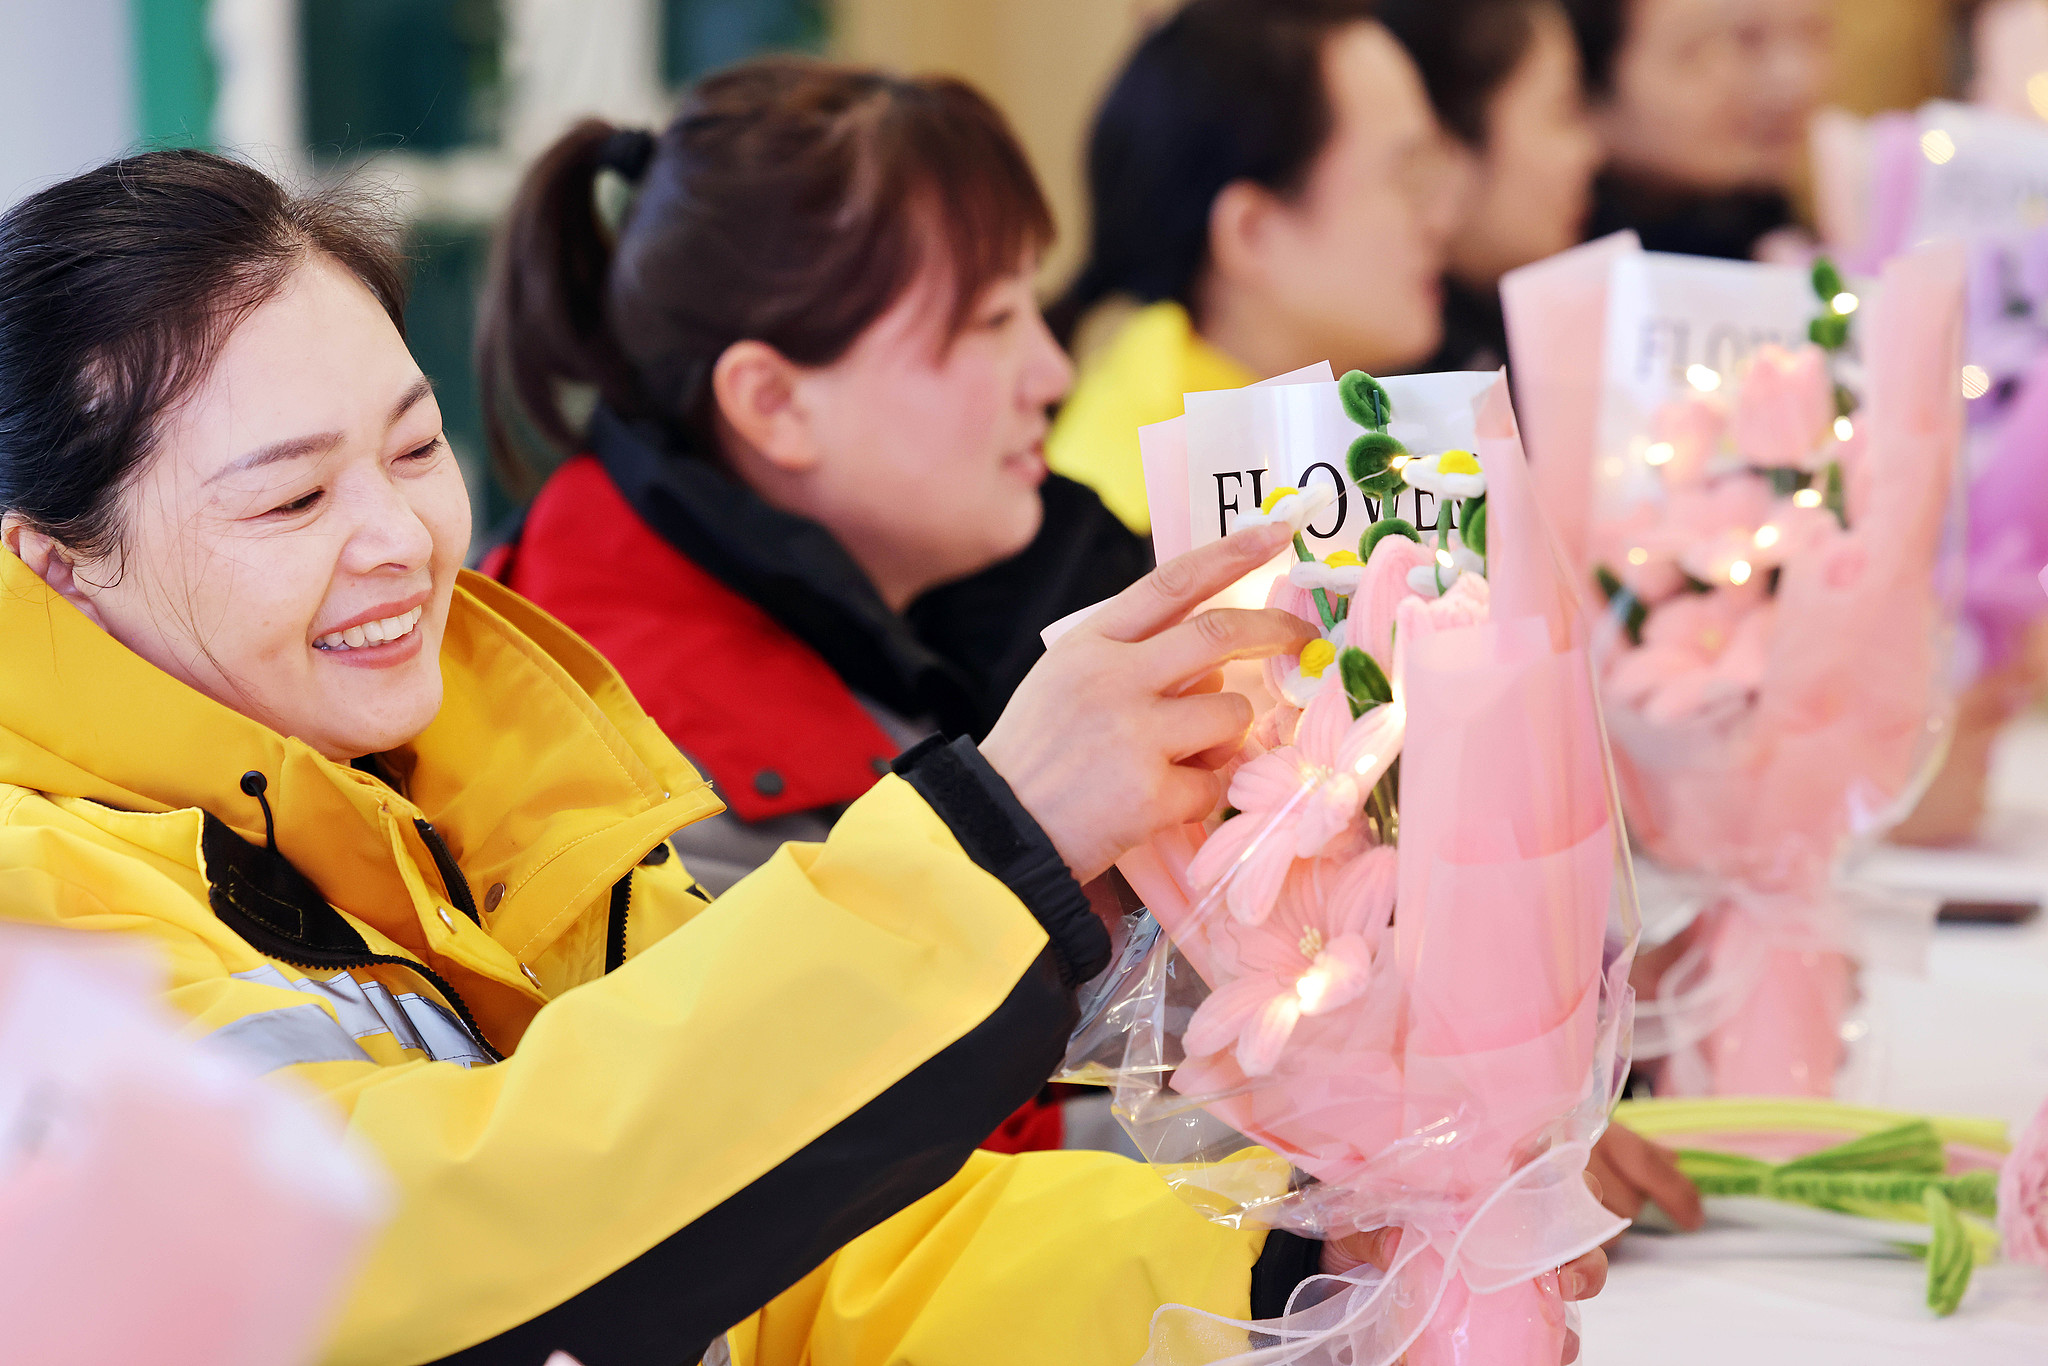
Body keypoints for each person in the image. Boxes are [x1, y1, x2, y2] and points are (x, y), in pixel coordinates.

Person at [0, 149, 1602, 1366]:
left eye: (417, 448)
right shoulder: (39, 916)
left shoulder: (464, 778)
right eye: (289, 502)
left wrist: (1295, 1260)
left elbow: (790, 1270)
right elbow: (404, 1242)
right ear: (55, 562)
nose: (397, 541)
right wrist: (993, 841)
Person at [1043, 0, 1468, 536]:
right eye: (1406, 177)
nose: (1441, 220)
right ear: (1252, 233)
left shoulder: (1336, 428)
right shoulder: (1133, 527)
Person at [1377, 0, 1604, 371]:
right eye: (1562, 111)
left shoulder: (1504, 339)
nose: (1590, 152)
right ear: (1451, 141)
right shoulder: (1393, 389)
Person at [1561, 0, 1832, 260]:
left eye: (1725, 43)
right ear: (1585, 92)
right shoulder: (1579, 267)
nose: (1730, 78)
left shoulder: (1764, 227)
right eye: (1691, 54)